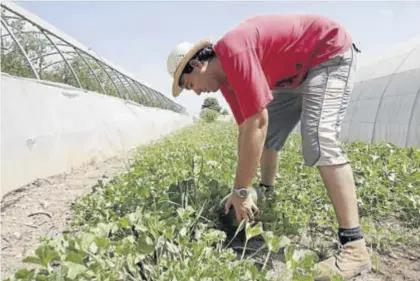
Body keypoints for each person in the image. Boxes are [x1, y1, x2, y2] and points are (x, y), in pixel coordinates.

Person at [166, 13, 371, 280]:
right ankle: (266, 196)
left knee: (319, 138)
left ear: (196, 63)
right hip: (294, 76)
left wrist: (240, 190)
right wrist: (240, 189)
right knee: (267, 136)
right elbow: (247, 130)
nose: (195, 92)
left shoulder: (234, 49)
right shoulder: (226, 81)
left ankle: (354, 246)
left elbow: (257, 122)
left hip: (326, 54)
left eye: (189, 84)